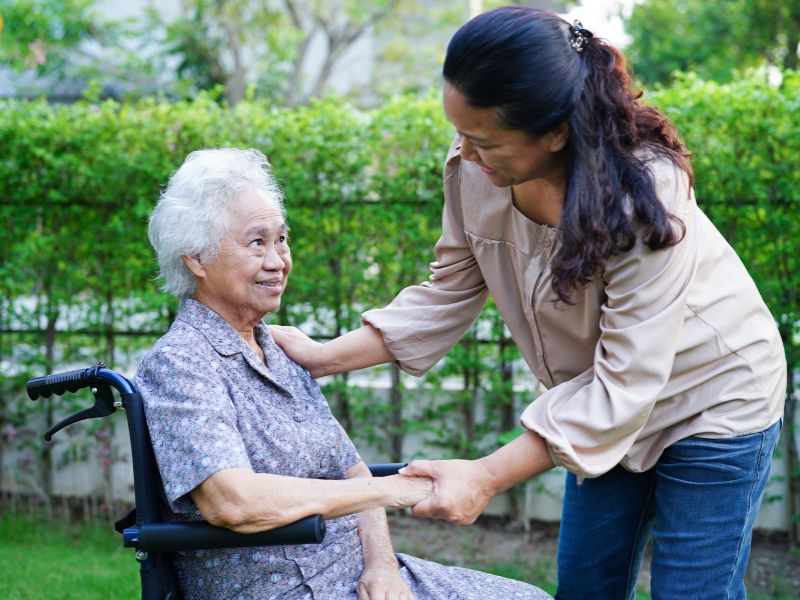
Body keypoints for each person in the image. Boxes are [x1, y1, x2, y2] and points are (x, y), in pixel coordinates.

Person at [270, 7, 787, 599]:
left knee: (691, 592)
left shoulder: (644, 198)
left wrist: (486, 477)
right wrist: (321, 357)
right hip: (596, 401)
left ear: (556, 132)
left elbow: (629, 380)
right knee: (586, 587)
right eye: (459, 132)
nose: (464, 153)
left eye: (483, 140)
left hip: (712, 397)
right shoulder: (476, 171)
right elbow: (448, 289)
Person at [135, 148, 552, 600]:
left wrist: (383, 567)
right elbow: (233, 501)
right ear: (196, 258)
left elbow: (351, 470)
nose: (278, 261)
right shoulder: (181, 363)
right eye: (257, 243)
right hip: (279, 590)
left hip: (355, 576)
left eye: (281, 239)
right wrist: (393, 491)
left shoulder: (274, 348)